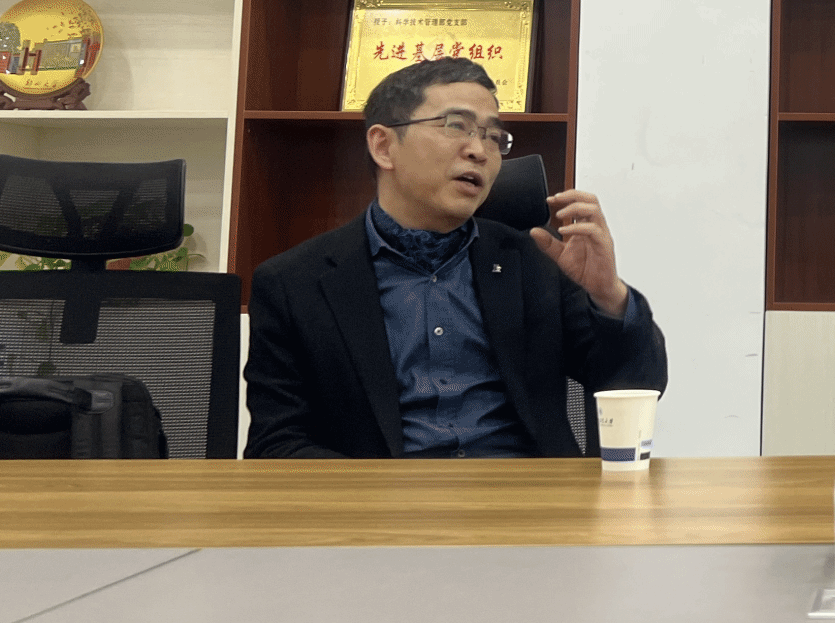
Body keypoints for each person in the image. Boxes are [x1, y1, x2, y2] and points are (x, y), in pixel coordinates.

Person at [244, 57, 667, 458]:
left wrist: (608, 296)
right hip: (381, 502)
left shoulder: (530, 260)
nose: (479, 150)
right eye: (456, 126)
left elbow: (635, 386)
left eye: (493, 136)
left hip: (528, 498)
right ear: (384, 146)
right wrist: (381, 495)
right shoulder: (294, 283)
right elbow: (276, 444)